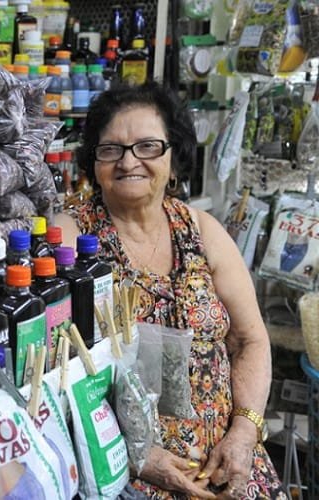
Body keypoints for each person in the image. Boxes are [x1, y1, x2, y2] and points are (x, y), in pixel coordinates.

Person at [56, 82, 287, 499]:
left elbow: (250, 339)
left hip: (227, 461)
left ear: (173, 158)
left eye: (147, 146)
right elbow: (52, 376)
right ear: (95, 162)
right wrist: (137, 453)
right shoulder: (70, 239)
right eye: (111, 149)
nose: (129, 162)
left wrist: (244, 431)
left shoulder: (201, 231)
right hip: (126, 472)